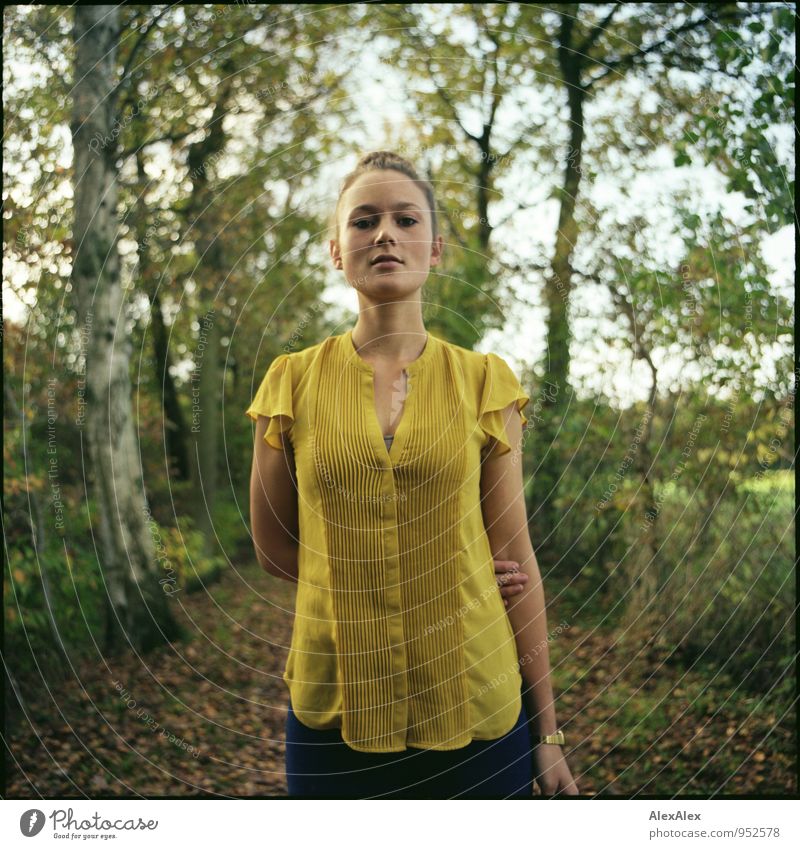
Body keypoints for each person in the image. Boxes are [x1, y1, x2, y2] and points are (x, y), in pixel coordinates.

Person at [247, 150, 578, 799]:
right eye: (363, 221)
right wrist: (390, 571)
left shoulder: (486, 381)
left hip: (477, 707)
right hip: (334, 707)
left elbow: (515, 559)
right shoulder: (291, 379)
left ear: (435, 248)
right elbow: (272, 546)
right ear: (337, 252)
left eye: (405, 219)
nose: (384, 234)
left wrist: (549, 733)